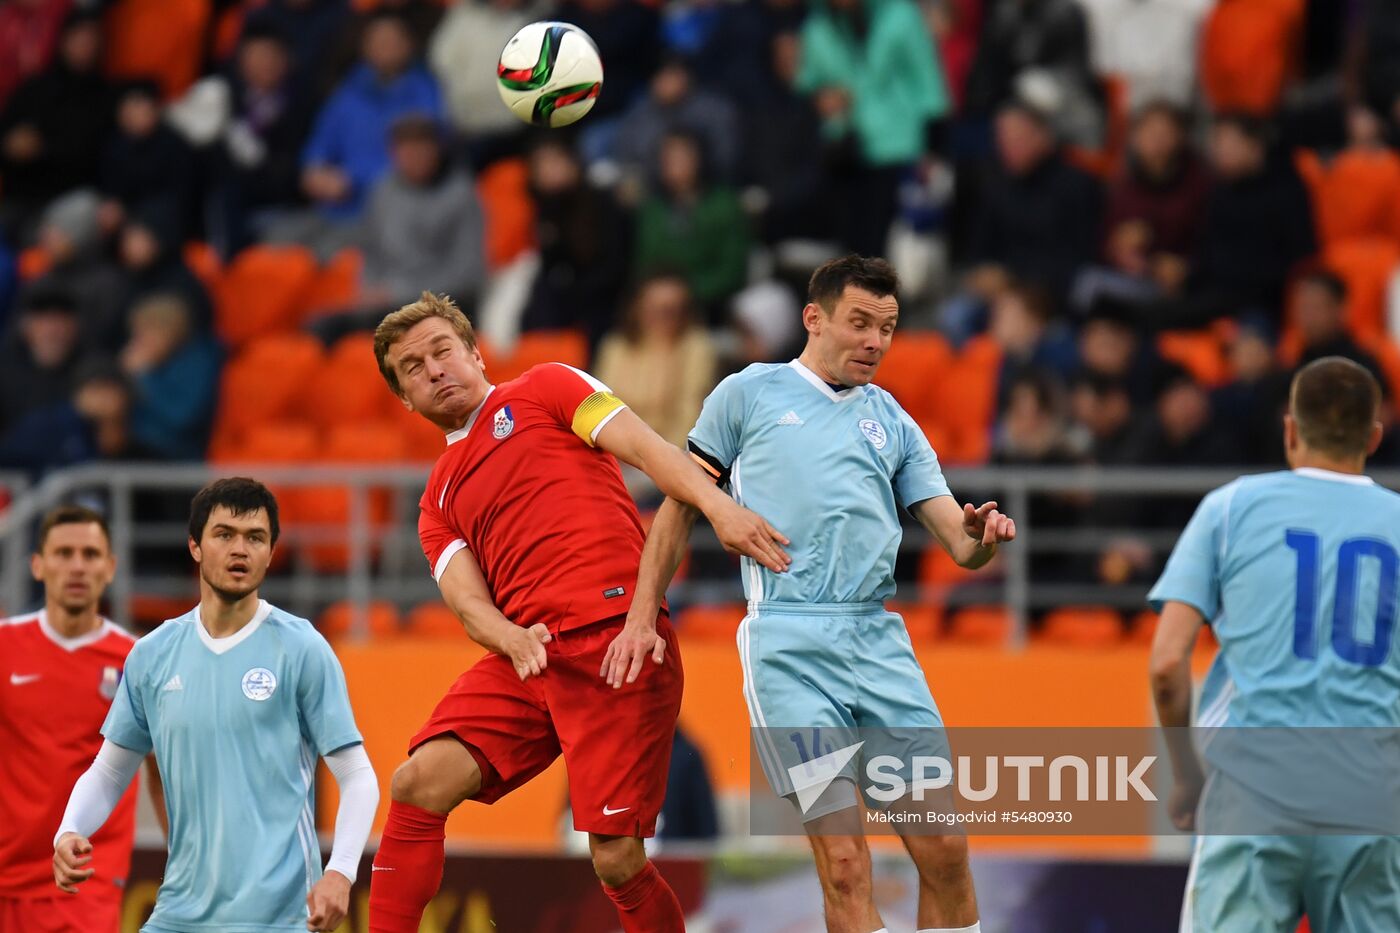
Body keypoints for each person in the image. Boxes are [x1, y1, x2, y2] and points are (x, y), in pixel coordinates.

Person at [366, 292, 789, 933]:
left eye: (442, 350)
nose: (433, 370)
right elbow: (470, 607)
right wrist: (510, 638)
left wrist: (720, 507)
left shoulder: (547, 388)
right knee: (416, 782)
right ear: (405, 398)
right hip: (528, 655)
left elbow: (649, 451)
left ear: (476, 351)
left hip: (617, 639)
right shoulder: (435, 501)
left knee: (616, 860)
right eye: (413, 368)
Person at [626, 255, 1016, 933]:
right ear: (815, 318)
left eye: (887, 328)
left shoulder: (891, 419)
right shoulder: (747, 394)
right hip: (789, 647)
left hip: (877, 641)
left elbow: (959, 542)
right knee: (843, 861)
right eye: (860, 322)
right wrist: (641, 614)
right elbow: (680, 504)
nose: (875, 341)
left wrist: (982, 535)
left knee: (946, 850)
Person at [53, 478, 379, 933]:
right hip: (178, 914)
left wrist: (340, 872)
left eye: (255, 538)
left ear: (271, 552)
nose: (240, 549)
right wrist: (69, 830)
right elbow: (110, 771)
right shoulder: (152, 653)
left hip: (278, 918)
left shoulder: (302, 647)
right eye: (224, 535)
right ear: (195, 547)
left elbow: (358, 775)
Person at [1149, 357, 1400, 933]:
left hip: (1254, 790)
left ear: (1290, 430)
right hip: (1370, 796)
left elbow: (1166, 665)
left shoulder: (1231, 509)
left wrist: (1186, 774)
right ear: (1375, 437)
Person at [0, 506, 163, 933]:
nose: (76, 566)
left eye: (90, 554)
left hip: (84, 884)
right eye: (63, 552)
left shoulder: (137, 660)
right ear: (37, 564)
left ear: (110, 568)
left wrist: (187, 864)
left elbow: (162, 774)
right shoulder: (5, 648)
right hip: (4, 881)